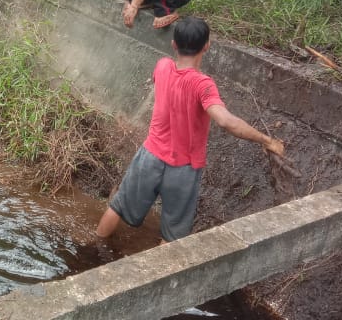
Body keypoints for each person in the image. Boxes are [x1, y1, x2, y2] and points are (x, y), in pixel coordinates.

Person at [95, 17, 291, 243]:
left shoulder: (162, 66)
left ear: (174, 45)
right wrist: (267, 140)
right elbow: (225, 121)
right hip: (183, 170)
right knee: (173, 236)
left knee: (117, 207)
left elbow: (163, 80)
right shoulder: (203, 85)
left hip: (149, 157)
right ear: (207, 46)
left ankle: (93, 249)